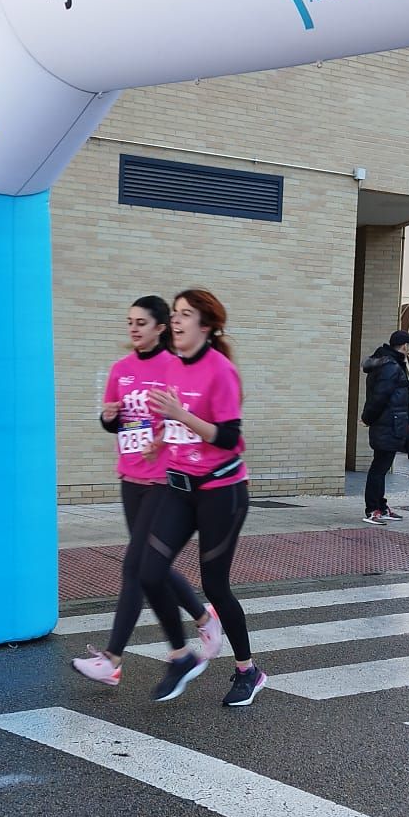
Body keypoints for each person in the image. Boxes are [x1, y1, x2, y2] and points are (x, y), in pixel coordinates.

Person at [71, 297, 223, 687]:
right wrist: (109, 418)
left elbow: (189, 419)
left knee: (135, 568)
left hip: (164, 480)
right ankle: (201, 623)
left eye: (142, 322)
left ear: (161, 328)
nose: (134, 329)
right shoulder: (120, 369)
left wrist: (164, 434)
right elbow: (117, 422)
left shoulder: (175, 367)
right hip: (131, 479)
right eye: (130, 322)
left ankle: (112, 658)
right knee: (153, 567)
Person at [136, 289, 266, 707]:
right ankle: (180, 657)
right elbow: (176, 424)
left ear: (205, 326)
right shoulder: (172, 366)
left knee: (215, 584)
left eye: (185, 315)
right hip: (180, 488)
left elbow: (229, 438)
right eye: (174, 314)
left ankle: (248, 671)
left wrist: (181, 415)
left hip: (222, 493)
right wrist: (159, 439)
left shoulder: (221, 371)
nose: (175, 321)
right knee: (149, 570)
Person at [360, 330, 409, 525]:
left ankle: (380, 506)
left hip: (388, 423)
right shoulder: (391, 367)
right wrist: (367, 417)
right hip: (388, 424)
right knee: (379, 468)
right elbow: (380, 397)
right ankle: (373, 509)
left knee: (381, 467)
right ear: (404, 346)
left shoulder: (386, 363)